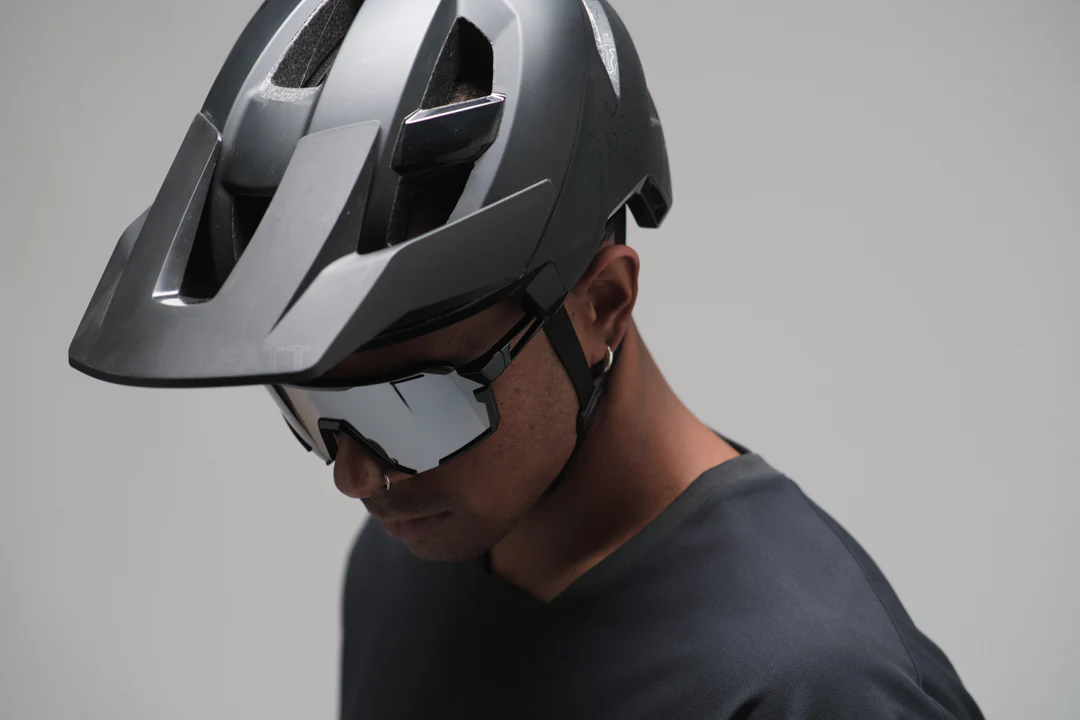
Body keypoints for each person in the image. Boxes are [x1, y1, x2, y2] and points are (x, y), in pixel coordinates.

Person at [69, 0, 985, 718]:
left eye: (410, 406)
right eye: (309, 410)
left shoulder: (815, 687)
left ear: (601, 305)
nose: (354, 478)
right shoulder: (399, 569)